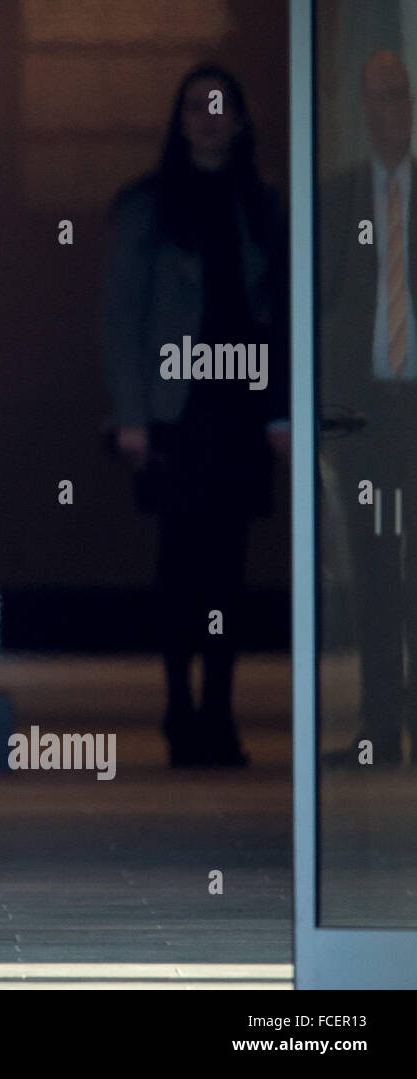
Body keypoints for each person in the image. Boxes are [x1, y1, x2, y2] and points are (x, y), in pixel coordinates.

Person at [103, 63, 288, 768]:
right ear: (179, 121)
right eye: (195, 107)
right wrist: (131, 415)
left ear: (240, 119)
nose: (208, 119)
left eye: (220, 107)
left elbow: (277, 315)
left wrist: (279, 411)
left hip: (239, 405)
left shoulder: (262, 205)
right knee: (181, 562)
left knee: (230, 566)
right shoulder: (148, 205)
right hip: (178, 408)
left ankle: (221, 707)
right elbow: (120, 318)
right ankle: (180, 704)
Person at [320, 49, 417, 767]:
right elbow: (320, 314)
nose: (396, 112)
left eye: (403, 97)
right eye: (383, 97)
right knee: (375, 568)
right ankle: (380, 722)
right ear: (363, 108)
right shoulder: (340, 199)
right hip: (366, 415)